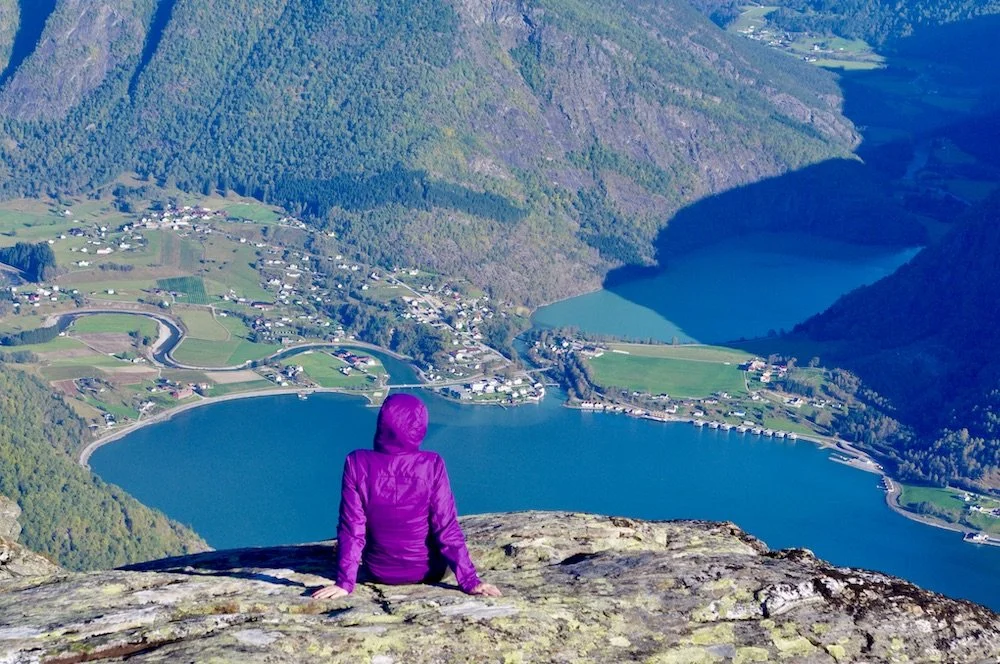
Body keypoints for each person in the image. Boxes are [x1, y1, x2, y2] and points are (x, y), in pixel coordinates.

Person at [312, 393, 501, 599]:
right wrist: (470, 580)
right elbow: (446, 527)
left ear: (382, 423)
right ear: (420, 427)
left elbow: (352, 528)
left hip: (379, 571)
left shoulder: (357, 462)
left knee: (341, 544)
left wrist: (345, 583)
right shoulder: (432, 464)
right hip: (429, 571)